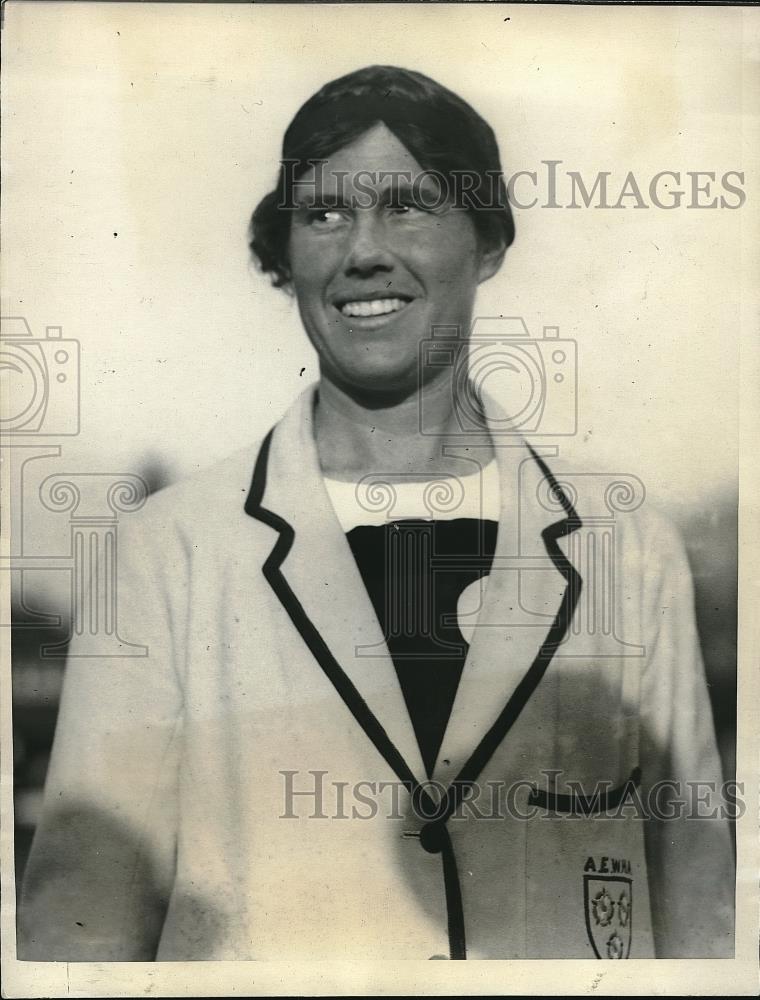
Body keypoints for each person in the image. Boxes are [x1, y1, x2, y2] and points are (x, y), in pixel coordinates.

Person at [17, 65, 734, 961]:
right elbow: (81, 927)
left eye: (408, 205)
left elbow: (702, 910)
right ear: (284, 259)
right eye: (322, 214)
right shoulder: (168, 553)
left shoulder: (626, 550)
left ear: (488, 244)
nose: (363, 250)